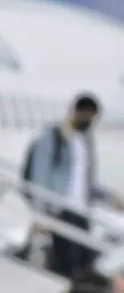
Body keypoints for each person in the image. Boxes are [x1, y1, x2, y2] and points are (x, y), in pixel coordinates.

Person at [21, 94, 122, 278]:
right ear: (73, 111)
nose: (87, 120)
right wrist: (40, 214)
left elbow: (85, 183)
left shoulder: (85, 143)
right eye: (84, 114)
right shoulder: (53, 137)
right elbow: (39, 177)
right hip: (59, 212)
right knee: (63, 267)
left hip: (81, 214)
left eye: (91, 117)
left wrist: (110, 198)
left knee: (83, 266)